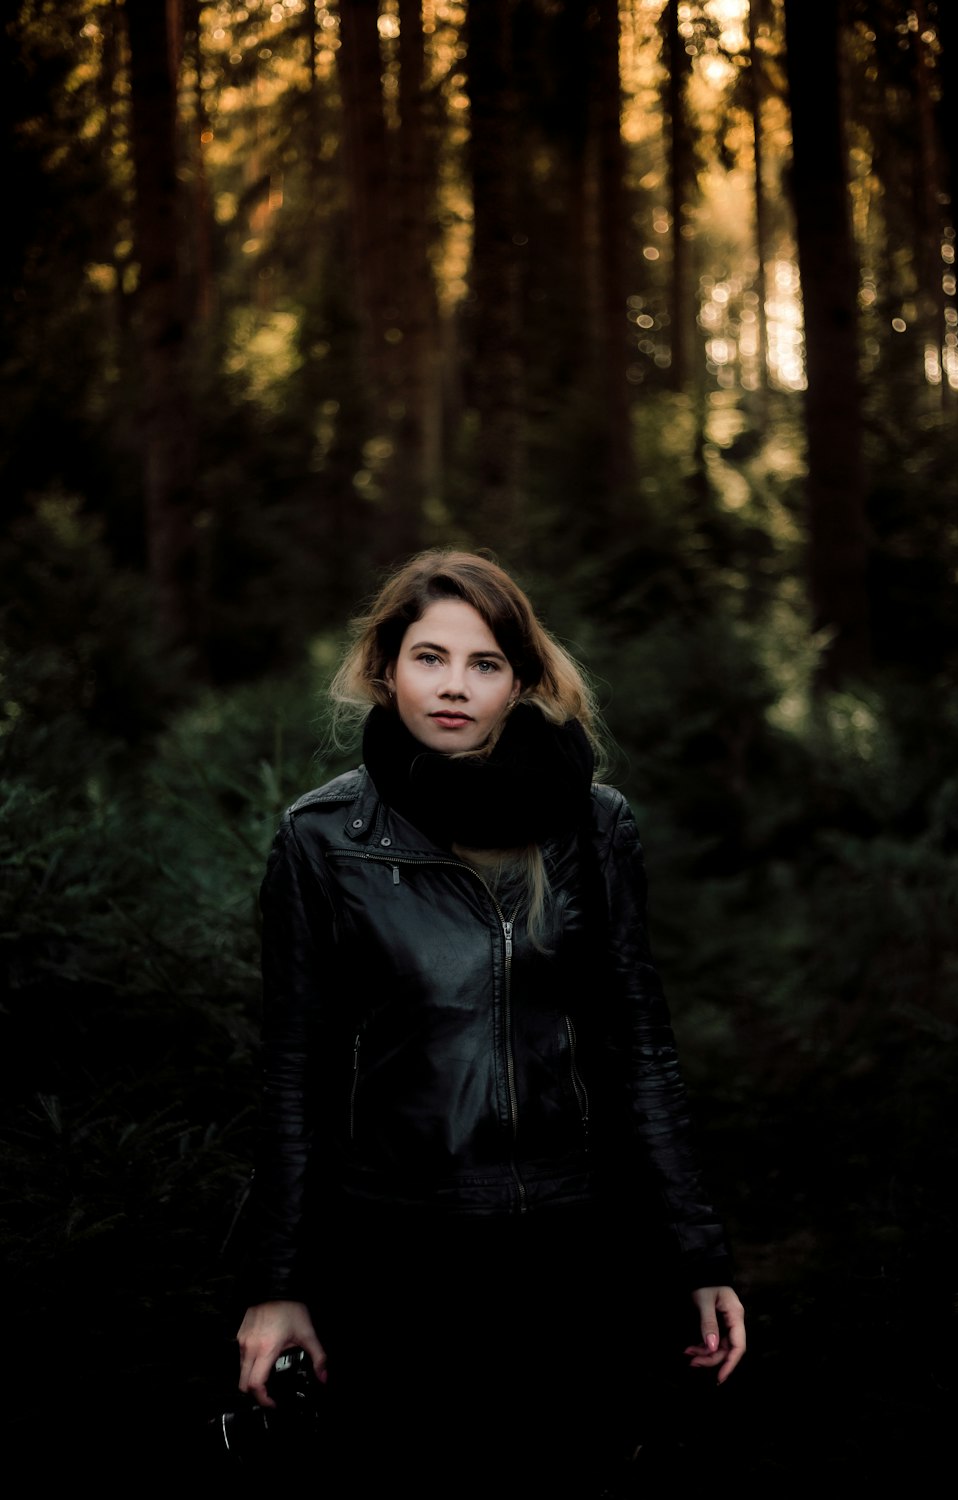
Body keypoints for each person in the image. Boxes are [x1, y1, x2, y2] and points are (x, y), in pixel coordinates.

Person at [234, 548, 745, 1495]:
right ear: (386, 670)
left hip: (571, 1248)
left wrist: (696, 1253)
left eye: (485, 663)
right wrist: (278, 1285)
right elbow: (294, 1072)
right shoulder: (323, 840)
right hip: (397, 1255)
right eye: (430, 657)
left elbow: (639, 1048)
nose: (454, 688)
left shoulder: (594, 827)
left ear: (521, 681)